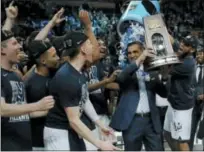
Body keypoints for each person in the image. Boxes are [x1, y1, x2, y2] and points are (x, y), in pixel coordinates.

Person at [44, 31, 120, 151]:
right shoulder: (67, 77)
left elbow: (84, 99)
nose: (94, 48)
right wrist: (99, 143)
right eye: (90, 44)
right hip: (60, 133)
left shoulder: (78, 72)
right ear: (83, 49)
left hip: (69, 132)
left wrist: (100, 124)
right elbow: (73, 120)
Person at [1, 30, 55, 151]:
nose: (20, 46)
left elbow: (21, 113)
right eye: (14, 44)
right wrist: (37, 105)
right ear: (2, 50)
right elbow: (2, 109)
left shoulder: (16, 76)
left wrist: (48, 110)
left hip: (24, 144)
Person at [110, 41, 168, 151]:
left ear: (143, 51)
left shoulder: (152, 69)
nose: (132, 55)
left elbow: (164, 93)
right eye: (129, 53)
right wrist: (139, 60)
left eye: (135, 52)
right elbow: (121, 78)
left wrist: (164, 78)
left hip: (151, 121)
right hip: (132, 122)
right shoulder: (124, 69)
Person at [164, 35, 197, 151]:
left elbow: (165, 69)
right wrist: (158, 25)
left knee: (181, 140)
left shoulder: (188, 64)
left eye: (186, 44)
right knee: (167, 133)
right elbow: (173, 41)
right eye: (183, 42)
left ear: (192, 49)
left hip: (182, 107)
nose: (182, 45)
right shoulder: (183, 52)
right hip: (173, 102)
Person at [25, 40, 60, 150]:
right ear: (43, 61)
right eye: (54, 56)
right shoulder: (32, 84)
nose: (58, 58)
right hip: (38, 141)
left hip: (57, 137)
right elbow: (24, 113)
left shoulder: (56, 75)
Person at [189, 46, 204, 150]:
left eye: (201, 53)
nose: (199, 55)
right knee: (190, 129)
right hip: (193, 104)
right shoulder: (192, 67)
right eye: (198, 54)